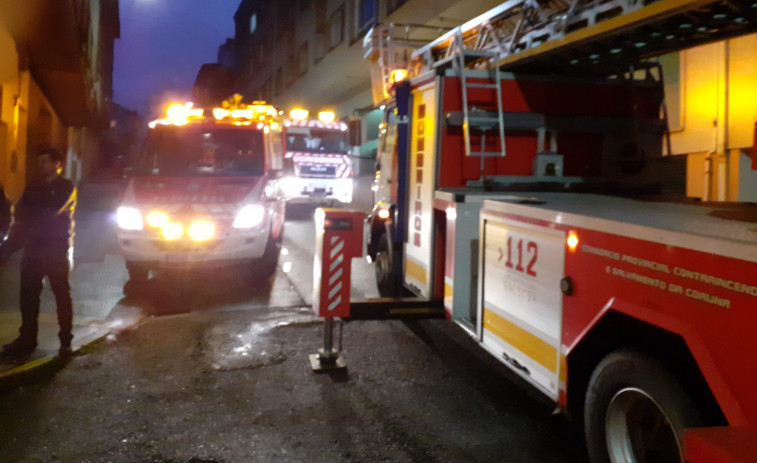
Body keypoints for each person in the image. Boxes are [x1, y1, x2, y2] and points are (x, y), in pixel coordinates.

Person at [0, 148, 77, 358]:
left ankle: (65, 341)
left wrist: (30, 219)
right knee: (28, 297)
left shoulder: (65, 187)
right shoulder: (33, 186)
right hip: (33, 249)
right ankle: (27, 339)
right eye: (40, 162)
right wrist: (9, 248)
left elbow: (52, 211)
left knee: (61, 294)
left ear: (57, 164)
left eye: (45, 162)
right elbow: (22, 213)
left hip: (55, 250)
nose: (41, 165)